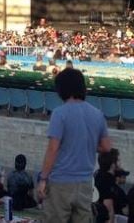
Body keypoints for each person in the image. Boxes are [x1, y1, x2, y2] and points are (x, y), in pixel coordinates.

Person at [38, 68, 112, 223]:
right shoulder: (97, 114)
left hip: (60, 182)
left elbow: (53, 149)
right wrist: (86, 142)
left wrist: (43, 178)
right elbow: (106, 147)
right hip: (85, 182)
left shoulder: (60, 113)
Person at [94, 148, 127, 221]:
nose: (120, 163)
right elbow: (109, 209)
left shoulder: (99, 175)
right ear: (112, 164)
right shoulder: (107, 180)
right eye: (118, 160)